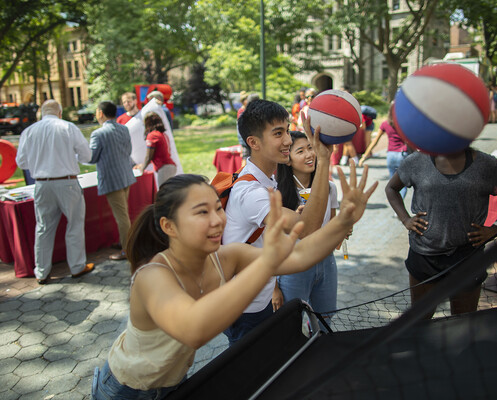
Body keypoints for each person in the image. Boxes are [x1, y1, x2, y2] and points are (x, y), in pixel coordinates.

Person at [91, 165, 376, 399]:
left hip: (173, 384)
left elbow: (300, 255)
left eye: (218, 208)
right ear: (169, 226)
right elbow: (194, 329)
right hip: (123, 390)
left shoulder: (227, 257)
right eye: (202, 212)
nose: (218, 220)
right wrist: (267, 263)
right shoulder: (152, 276)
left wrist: (343, 222)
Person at [222, 99, 333, 346]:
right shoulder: (251, 192)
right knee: (252, 375)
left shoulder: (265, 181)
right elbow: (308, 229)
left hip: (256, 298)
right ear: (253, 143)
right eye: (278, 133)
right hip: (246, 307)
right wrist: (323, 161)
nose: (288, 141)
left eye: (287, 130)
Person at [385, 147, 497, 318]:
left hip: (468, 256)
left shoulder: (486, 164)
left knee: (463, 320)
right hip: (425, 254)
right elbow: (391, 188)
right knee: (419, 319)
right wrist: (406, 219)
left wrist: (496, 228)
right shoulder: (416, 161)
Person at [15, 99, 95, 284]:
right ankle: (76, 267)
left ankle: (42, 272)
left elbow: (22, 163)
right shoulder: (68, 127)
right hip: (67, 182)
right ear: (60, 112)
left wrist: (39, 163)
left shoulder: (29, 132)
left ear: (42, 113)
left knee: (43, 228)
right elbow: (87, 155)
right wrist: (70, 157)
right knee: (74, 224)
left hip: (42, 183)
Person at [276, 131, 342, 321]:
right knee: (291, 323)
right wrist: (273, 288)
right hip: (292, 266)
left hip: (326, 262)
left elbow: (331, 226)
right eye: (300, 151)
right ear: (287, 160)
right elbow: (269, 243)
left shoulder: (329, 187)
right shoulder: (277, 193)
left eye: (311, 148)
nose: (309, 154)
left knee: (325, 320)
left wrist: (342, 228)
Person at [89, 101, 137, 260]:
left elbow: (92, 157)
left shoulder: (99, 134)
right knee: (124, 213)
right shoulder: (123, 129)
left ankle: (127, 249)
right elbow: (128, 151)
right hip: (125, 176)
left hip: (112, 179)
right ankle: (125, 242)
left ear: (100, 113)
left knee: (122, 216)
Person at [359, 101, 409, 197]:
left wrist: (364, 156)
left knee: (393, 185)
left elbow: (375, 141)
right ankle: (399, 208)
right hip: (403, 154)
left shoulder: (385, 124)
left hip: (390, 155)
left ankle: (396, 208)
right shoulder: (404, 123)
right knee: (403, 185)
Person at [135, 112, 176, 187]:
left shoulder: (152, 135)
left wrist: (141, 169)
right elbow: (158, 154)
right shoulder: (162, 134)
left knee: (163, 194)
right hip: (170, 166)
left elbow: (149, 156)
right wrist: (142, 165)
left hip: (164, 168)